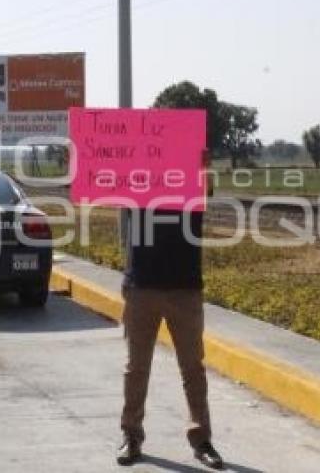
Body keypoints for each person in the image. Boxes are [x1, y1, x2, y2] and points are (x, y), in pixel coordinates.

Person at [116, 151, 223, 470]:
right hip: (142, 286)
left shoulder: (193, 177)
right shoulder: (134, 179)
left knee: (193, 368)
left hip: (185, 287)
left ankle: (201, 439)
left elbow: (209, 189)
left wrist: (203, 164)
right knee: (136, 367)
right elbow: (96, 181)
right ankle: (131, 435)